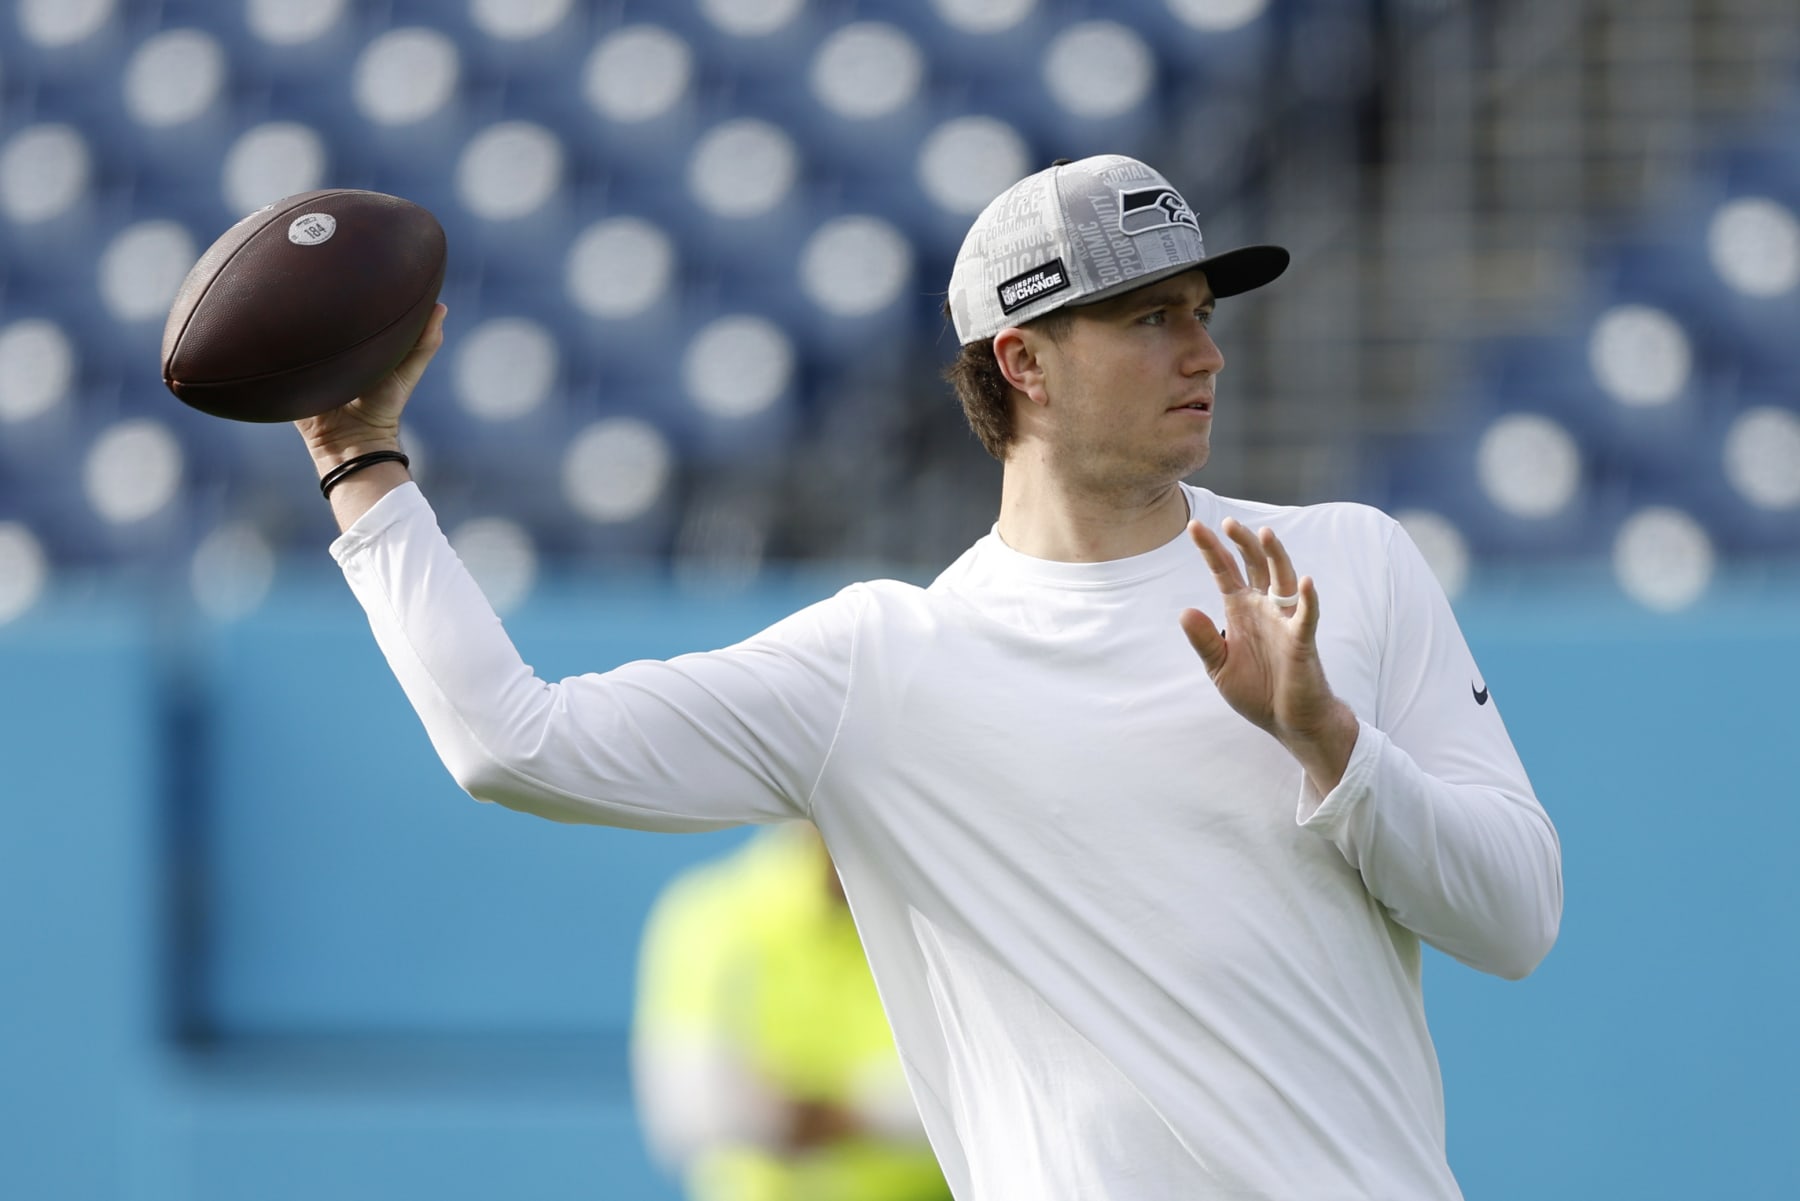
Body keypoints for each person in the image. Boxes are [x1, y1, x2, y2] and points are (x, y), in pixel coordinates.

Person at [294, 154, 1562, 1200]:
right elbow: (510, 743)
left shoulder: (1348, 562)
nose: (1204, 354)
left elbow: (1515, 923)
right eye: (1149, 317)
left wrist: (1331, 741)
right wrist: (363, 463)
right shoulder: (882, 666)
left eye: (1203, 314)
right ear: (1023, 363)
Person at [632, 823, 953, 1201]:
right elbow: (688, 1109)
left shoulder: (951, 923)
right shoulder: (713, 913)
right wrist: (870, 1108)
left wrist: (836, 1114)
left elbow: (981, 1091)